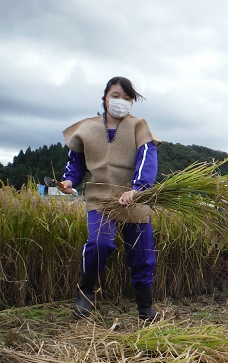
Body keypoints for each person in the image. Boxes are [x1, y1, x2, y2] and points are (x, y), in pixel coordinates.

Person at [58, 76, 161, 319]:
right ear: (105, 98)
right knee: (99, 243)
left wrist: (137, 189)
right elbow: (76, 164)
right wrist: (69, 181)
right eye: (116, 96)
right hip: (100, 199)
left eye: (127, 98)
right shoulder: (87, 128)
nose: (121, 102)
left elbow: (147, 161)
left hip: (134, 199)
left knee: (142, 253)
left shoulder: (139, 127)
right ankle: (85, 293)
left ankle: (145, 307)